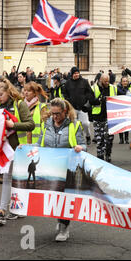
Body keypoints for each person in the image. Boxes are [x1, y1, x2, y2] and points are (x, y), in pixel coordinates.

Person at [37, 98, 85, 241]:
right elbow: (40, 144)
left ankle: (64, 227)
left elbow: (83, 144)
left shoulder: (74, 125)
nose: (55, 117)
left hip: (68, 167)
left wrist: (80, 148)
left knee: (64, 198)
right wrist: (26, 149)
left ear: (65, 111)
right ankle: (60, 220)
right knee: (54, 197)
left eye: (57, 114)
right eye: (52, 114)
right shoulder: (46, 124)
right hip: (51, 167)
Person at [0, 79, 35, 225]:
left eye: (1, 95)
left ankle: (6, 210)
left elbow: (30, 124)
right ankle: (8, 210)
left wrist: (13, 125)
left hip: (19, 148)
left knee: (16, 179)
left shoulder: (19, 104)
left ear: (8, 92)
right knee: (9, 178)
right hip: (4, 148)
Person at [63, 67, 94, 145]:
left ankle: (87, 135)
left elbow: (90, 92)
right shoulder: (67, 83)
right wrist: (68, 100)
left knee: (85, 124)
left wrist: (86, 98)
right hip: (72, 108)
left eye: (77, 73)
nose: (76, 74)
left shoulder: (84, 82)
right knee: (73, 125)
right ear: (72, 74)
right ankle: (76, 140)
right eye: (75, 73)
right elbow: (65, 93)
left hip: (82, 107)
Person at [90, 74, 117, 162]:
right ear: (101, 80)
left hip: (109, 117)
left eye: (108, 81)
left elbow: (121, 96)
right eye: (105, 81)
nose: (107, 83)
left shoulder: (113, 88)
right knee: (99, 138)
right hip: (97, 117)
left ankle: (108, 154)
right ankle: (100, 155)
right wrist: (100, 100)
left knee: (109, 138)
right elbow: (90, 101)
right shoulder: (94, 88)